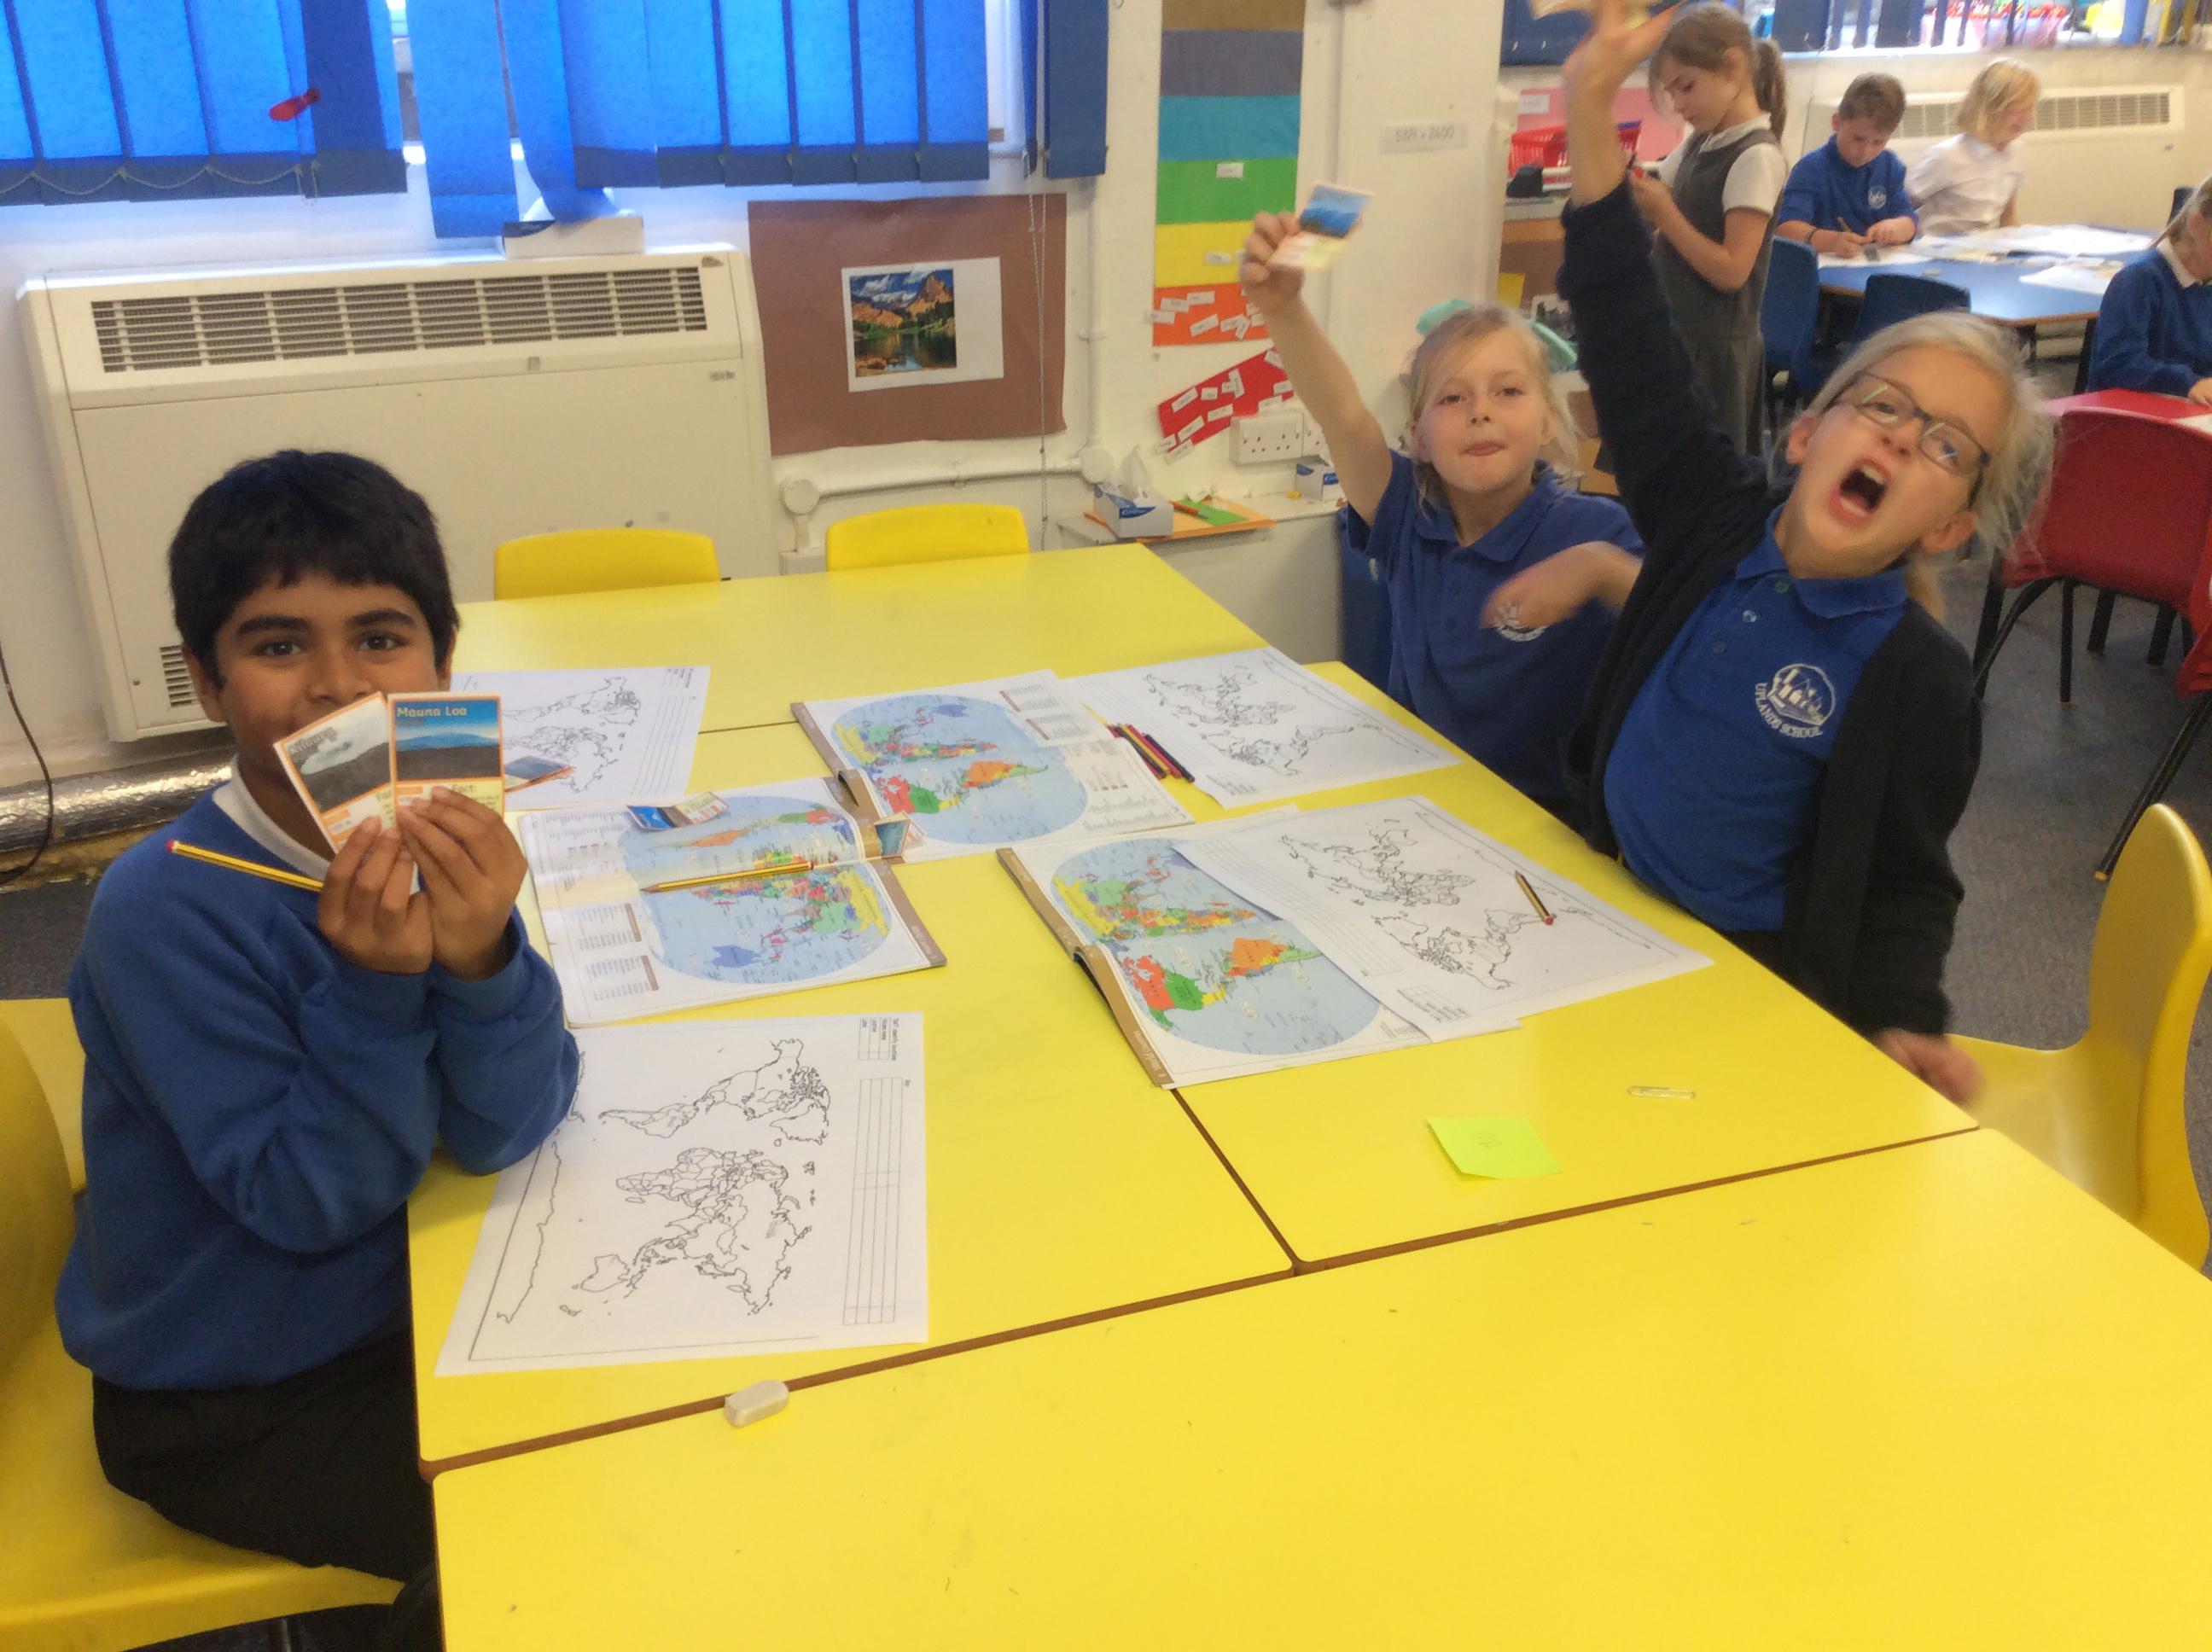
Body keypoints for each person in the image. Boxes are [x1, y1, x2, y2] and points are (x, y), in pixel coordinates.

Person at [56, 451, 580, 1650]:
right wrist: (378, 987)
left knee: (661, 1428)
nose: (336, 685)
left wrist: (482, 956)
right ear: (206, 680)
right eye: (279, 644)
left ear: (442, 665)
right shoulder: (160, 912)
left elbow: (507, 1123)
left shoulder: (439, 835)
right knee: (545, 1536)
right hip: (233, 1392)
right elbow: (311, 1202)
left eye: (381, 639)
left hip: (407, 1302)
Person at [1548, 0, 2055, 1102]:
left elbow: (1909, 885)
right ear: (1808, 432)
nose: (1902, 439)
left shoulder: (1918, 679)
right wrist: (1589, 107)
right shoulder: (1711, 514)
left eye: (1945, 446)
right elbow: (1627, 331)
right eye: (1884, 405)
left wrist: (1904, 1020)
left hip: (1746, 992)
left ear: (1948, 526)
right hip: (1597, 908)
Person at [1239, 223, 1644, 814]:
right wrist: (1283, 308)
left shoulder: (1595, 532)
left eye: (1508, 392)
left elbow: (1686, 620)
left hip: (1543, 827)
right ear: (1419, 438)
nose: (1481, 412)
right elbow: (1343, 415)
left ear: (1548, 423)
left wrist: (1600, 570)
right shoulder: (1407, 512)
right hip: (1416, 803)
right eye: (1452, 398)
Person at [1631, 2, 1790, 454]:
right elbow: (1659, 187)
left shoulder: (1757, 156)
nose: (1678, 105)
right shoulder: (1702, 141)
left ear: (1732, 68)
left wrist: (1666, 215)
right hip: (1678, 336)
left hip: (1716, 356)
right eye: (1672, 93)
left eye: (1686, 87)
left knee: (1704, 479)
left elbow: (1733, 271)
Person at [2086, 173, 2212, 404]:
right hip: (2132, 414)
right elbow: (2117, 364)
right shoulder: (2140, 279)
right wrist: (2188, 383)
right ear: (2195, 224)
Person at [1776, 73, 1918, 257]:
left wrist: (1896, 227)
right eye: (1858, 139)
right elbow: (1786, 228)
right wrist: (1830, 241)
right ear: (1837, 122)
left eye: (1878, 142)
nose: (1866, 151)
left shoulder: (1890, 166)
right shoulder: (1811, 168)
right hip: (1824, 268)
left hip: (1874, 266)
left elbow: (1909, 221)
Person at [1905, 59, 2039, 238]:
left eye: (2030, 108)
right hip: (1940, 246)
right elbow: (1902, 209)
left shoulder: (2017, 152)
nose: (2028, 116)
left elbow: (2007, 218)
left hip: (1986, 245)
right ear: (1989, 108)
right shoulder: (1946, 156)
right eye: (2018, 110)